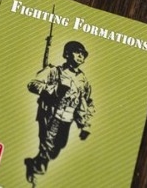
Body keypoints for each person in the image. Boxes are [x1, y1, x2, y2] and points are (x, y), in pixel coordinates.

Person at [24, 41, 93, 185]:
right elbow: (33, 84)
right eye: (77, 52)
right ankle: (36, 173)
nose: (81, 56)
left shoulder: (83, 80)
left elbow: (85, 102)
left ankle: (34, 164)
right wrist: (54, 90)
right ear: (67, 54)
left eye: (83, 54)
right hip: (51, 115)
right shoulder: (54, 71)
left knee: (57, 149)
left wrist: (85, 124)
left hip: (67, 119)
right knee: (47, 146)